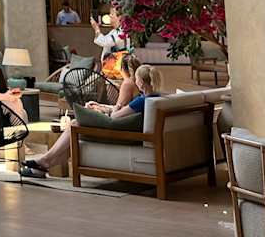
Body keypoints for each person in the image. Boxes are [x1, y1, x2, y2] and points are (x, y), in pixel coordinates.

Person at [21, 64, 162, 178]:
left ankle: (43, 162)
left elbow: (114, 117)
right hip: (133, 132)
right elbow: (124, 113)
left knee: (75, 125)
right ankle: (42, 165)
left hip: (123, 135)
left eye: (136, 79)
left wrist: (110, 109)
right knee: (75, 129)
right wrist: (102, 108)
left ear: (140, 82)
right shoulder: (156, 97)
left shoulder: (141, 101)